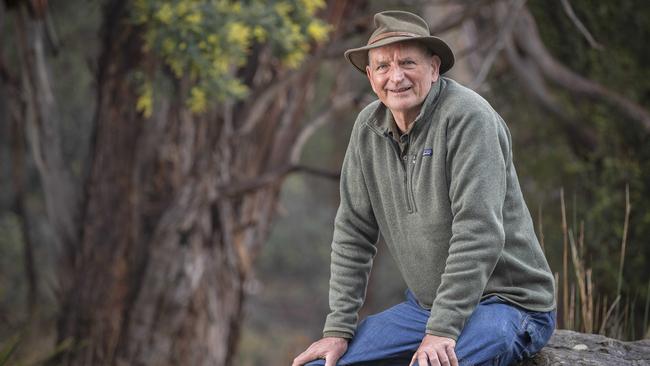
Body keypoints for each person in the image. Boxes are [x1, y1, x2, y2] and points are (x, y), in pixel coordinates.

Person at [292, 10, 556, 366]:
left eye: (407, 63)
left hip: (507, 304)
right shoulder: (367, 129)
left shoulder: (468, 118)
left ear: (434, 68)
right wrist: (337, 329)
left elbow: (478, 232)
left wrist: (442, 330)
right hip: (425, 310)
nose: (395, 77)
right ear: (370, 76)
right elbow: (353, 232)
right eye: (383, 66)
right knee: (318, 365)